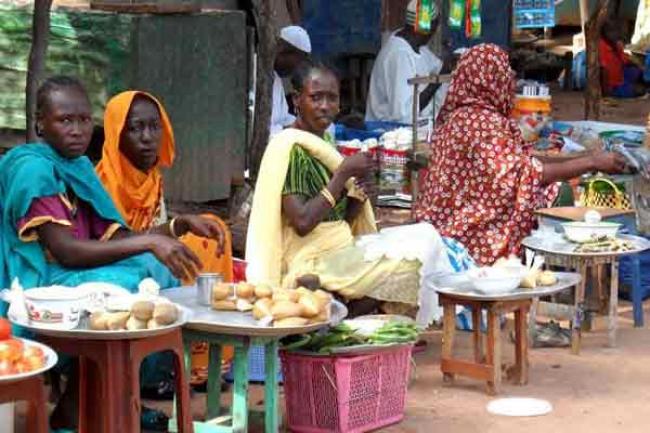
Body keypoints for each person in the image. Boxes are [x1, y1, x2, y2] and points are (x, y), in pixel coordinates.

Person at [246, 62, 475, 325]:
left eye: (331, 98)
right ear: (297, 100)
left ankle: (347, 317)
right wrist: (342, 175)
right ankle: (345, 320)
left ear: (340, 104)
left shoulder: (325, 143)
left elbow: (337, 216)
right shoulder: (290, 147)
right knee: (412, 264)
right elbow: (302, 222)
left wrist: (360, 197)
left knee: (426, 236)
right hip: (310, 258)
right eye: (315, 97)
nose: (324, 106)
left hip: (337, 246)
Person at [414, 44, 627, 266]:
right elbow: (527, 174)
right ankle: (547, 268)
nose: (511, 77)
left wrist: (585, 158)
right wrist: (591, 162)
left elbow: (519, 161)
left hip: (444, 221)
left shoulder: (455, 118)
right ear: (491, 79)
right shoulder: (484, 124)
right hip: (471, 231)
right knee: (558, 190)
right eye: (505, 71)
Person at [96, 90, 234, 397]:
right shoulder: (103, 183)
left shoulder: (151, 177)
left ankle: (201, 359)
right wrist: (168, 232)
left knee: (212, 231)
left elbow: (151, 229)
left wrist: (180, 225)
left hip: (149, 254)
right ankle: (165, 366)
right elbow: (115, 241)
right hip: (116, 266)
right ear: (116, 133)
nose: (147, 137)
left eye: (154, 126)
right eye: (134, 128)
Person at [365, 0, 445, 124]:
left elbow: (439, 67)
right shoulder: (399, 54)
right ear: (428, 27)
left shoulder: (418, 47)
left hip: (411, 127)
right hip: (387, 131)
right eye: (435, 26)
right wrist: (437, 82)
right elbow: (404, 114)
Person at [271, 25, 312, 136]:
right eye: (298, 60)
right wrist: (289, 130)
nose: (297, 68)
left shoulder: (276, 78)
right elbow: (259, 130)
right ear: (283, 51)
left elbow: (283, 118)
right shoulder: (256, 73)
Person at [599, 19, 645, 98]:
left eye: (617, 31)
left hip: (621, 75)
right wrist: (606, 94)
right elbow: (603, 72)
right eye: (612, 32)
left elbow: (626, 58)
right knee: (640, 91)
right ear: (604, 33)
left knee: (638, 72)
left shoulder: (615, 44)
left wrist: (640, 66)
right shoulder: (601, 48)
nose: (616, 34)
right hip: (613, 86)